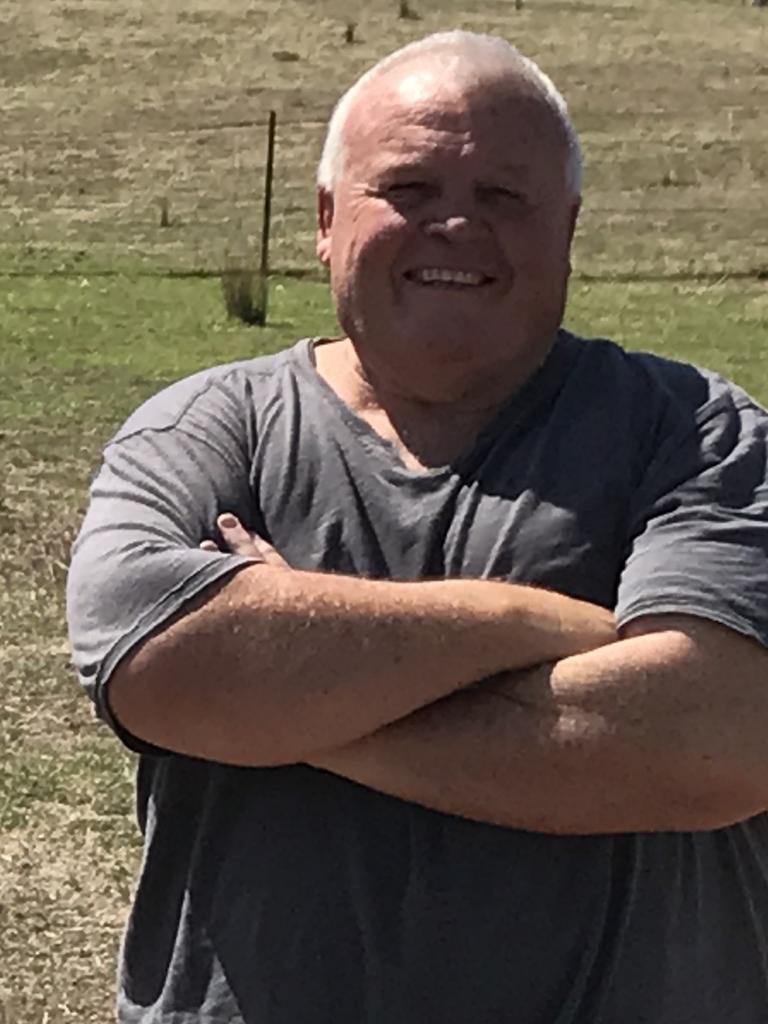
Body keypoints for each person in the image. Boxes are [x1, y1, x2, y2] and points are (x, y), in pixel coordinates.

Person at [66, 30, 768, 1024]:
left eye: (502, 198)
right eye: (408, 188)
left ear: (567, 227)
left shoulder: (695, 430)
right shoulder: (206, 431)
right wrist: (538, 625)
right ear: (323, 219)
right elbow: (160, 668)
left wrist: (290, 711)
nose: (453, 224)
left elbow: (718, 736)